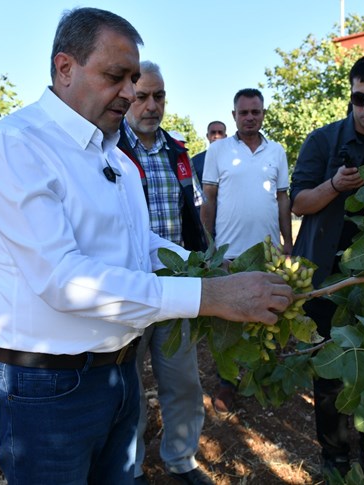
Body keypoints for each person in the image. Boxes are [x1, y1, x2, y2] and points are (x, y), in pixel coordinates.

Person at [0, 7, 293, 485]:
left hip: (117, 375)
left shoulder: (115, 158)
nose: (128, 92)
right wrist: (213, 297)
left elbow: (139, 244)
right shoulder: (19, 145)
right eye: (115, 76)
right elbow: (63, 280)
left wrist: (212, 269)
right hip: (48, 388)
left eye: (134, 79)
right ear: (65, 68)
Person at [290, 54, 364, 484]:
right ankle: (336, 462)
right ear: (351, 94)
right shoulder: (323, 142)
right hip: (328, 281)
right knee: (330, 380)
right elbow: (298, 202)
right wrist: (334, 186)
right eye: (360, 98)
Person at [117, 61, 213, 485]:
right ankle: (131, 468)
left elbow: (190, 215)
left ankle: (180, 458)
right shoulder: (111, 150)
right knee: (127, 386)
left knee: (183, 381)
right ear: (127, 97)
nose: (151, 105)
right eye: (142, 96)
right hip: (130, 289)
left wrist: (206, 258)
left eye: (159, 96)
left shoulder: (178, 153)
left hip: (176, 288)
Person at [199, 88, 292, 413]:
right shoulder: (219, 151)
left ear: (263, 113)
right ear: (234, 115)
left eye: (256, 111)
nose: (250, 117)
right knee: (228, 323)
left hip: (267, 254)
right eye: (244, 113)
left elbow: (282, 199)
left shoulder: (277, 151)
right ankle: (227, 381)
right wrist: (209, 246)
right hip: (229, 254)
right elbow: (208, 198)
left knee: (266, 319)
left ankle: (259, 376)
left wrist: (287, 244)